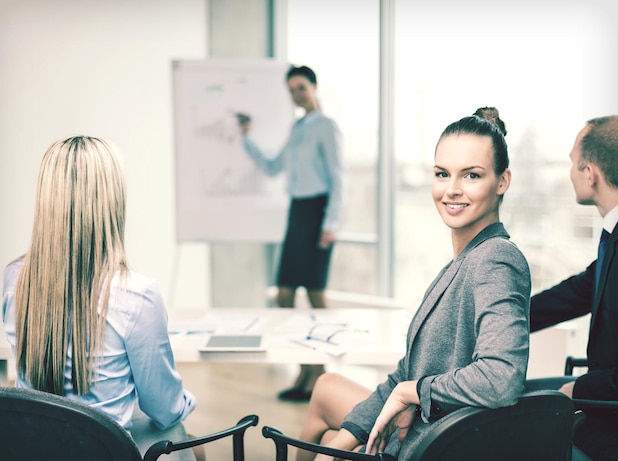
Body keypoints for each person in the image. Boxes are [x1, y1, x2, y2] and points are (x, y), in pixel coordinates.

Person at [294, 107, 531, 460]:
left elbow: (501, 377)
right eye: (442, 174)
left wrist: (414, 393)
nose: (451, 190)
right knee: (327, 395)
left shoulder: (496, 259)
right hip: (426, 427)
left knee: (326, 420)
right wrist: (346, 441)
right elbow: (409, 370)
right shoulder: (464, 260)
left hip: (435, 442)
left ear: (502, 181)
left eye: (471, 176)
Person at [2, 136, 202, 461]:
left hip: (32, 446)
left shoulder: (15, 278)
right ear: (112, 200)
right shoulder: (137, 295)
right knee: (180, 435)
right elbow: (164, 409)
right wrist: (186, 401)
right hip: (102, 451)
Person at [237, 65, 344, 402]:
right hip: (298, 212)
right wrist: (247, 137)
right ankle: (308, 368)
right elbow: (272, 166)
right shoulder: (298, 128)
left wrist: (331, 224)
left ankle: (320, 370)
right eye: (292, 90)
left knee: (314, 294)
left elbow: (339, 178)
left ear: (314, 87)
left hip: (318, 212)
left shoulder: (326, 127)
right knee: (284, 294)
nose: (297, 94)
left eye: (301, 87)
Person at [527, 115, 618, 460]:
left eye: (572, 163)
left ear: (590, 173)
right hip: (601, 405)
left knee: (504, 427)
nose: (569, 173)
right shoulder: (613, 235)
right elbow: (581, 290)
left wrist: (578, 388)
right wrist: (509, 318)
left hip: (608, 427)